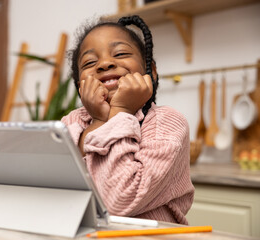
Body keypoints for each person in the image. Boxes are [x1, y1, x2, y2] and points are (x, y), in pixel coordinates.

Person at [61, 15, 194, 225]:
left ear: (151, 71)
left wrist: (119, 112)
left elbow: (118, 202)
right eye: (90, 62)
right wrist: (97, 122)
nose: (105, 64)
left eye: (121, 53)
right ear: (80, 85)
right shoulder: (71, 123)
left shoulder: (166, 122)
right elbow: (61, 193)